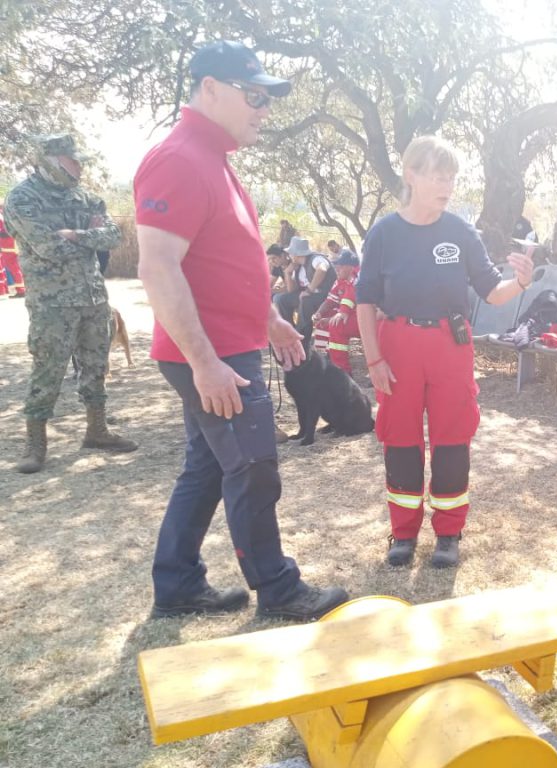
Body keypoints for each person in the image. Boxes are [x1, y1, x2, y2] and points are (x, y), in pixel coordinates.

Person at [134, 39, 349, 621]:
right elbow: (157, 267)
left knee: (207, 466)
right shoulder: (178, 159)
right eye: (252, 94)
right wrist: (205, 363)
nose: (263, 107)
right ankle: (278, 590)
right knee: (253, 467)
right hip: (215, 355)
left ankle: (177, 582)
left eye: (267, 97)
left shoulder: (213, 161)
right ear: (210, 89)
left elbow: (226, 267)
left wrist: (273, 319)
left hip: (230, 344)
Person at [356, 135, 533, 569]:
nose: (447, 185)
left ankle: (448, 532)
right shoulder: (383, 233)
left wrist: (522, 283)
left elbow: (492, 291)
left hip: (450, 345)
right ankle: (403, 532)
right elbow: (365, 301)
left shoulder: (459, 230)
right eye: (438, 176)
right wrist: (374, 359)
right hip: (397, 344)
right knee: (400, 437)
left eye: (452, 177)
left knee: (453, 435)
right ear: (411, 175)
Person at [4, 135, 137, 474]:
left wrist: (74, 234)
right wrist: (85, 236)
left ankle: (97, 430)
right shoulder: (22, 199)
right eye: (72, 161)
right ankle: (35, 444)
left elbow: (113, 236)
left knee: (95, 366)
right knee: (48, 370)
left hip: (93, 297)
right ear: (50, 161)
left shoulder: (85, 196)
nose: (79, 166)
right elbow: (47, 247)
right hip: (53, 304)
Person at [312, 248, 361, 371]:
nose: (336, 269)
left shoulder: (358, 276)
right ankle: (324, 359)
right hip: (352, 317)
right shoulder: (340, 280)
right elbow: (330, 301)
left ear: (350, 267)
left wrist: (341, 312)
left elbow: (351, 295)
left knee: (336, 324)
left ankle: (342, 370)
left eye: (340, 266)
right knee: (323, 322)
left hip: (368, 320)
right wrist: (319, 313)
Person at [274, 236, 334, 336]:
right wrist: (288, 273)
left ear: (296, 254)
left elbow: (322, 269)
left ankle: (302, 337)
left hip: (326, 295)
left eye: (290, 253)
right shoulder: (297, 266)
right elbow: (291, 290)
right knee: (282, 299)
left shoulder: (316, 258)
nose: (289, 256)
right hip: (309, 296)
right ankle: (289, 331)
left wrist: (310, 290)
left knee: (306, 301)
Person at [0, 206, 26, 298]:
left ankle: (21, 290)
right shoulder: (5, 215)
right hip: (9, 243)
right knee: (13, 266)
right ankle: (20, 289)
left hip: (8, 244)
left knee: (13, 266)